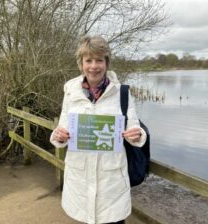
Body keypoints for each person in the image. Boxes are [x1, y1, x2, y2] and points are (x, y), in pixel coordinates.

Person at [50, 35, 147, 224]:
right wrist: (59, 136)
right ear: (81, 63)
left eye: (99, 60)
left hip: (111, 185)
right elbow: (62, 129)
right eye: (89, 60)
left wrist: (136, 135)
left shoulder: (123, 93)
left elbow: (134, 128)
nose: (94, 66)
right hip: (80, 180)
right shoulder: (70, 92)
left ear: (106, 63)